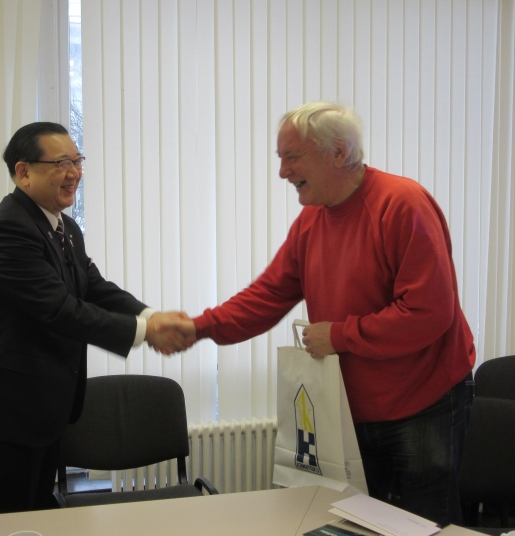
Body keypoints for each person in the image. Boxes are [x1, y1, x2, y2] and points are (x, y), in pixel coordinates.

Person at [179, 102, 475, 526]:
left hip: (424, 403)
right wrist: (198, 327)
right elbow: (268, 296)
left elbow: (428, 314)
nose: (282, 172)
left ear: (338, 153)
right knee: (360, 524)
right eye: (280, 158)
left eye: (292, 157)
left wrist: (338, 337)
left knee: (424, 525)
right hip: (352, 409)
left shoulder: (402, 204)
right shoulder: (311, 220)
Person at [0, 122, 194, 515]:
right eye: (62, 162)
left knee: (38, 516)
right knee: (6, 522)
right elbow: (60, 310)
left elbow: (93, 286)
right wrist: (148, 332)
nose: (75, 172)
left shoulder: (64, 227)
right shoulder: (9, 229)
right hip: (5, 415)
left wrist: (151, 315)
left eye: (78, 161)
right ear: (23, 171)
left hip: (43, 410)